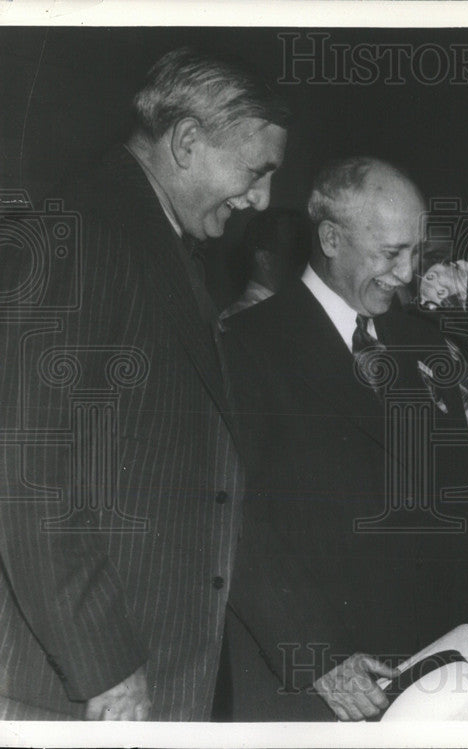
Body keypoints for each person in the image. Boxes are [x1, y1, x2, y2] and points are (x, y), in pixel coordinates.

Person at [0, 47, 289, 720]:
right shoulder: (80, 239)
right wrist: (108, 672)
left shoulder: (144, 241)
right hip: (79, 695)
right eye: (257, 171)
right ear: (187, 142)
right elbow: (27, 472)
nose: (262, 200)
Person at [222, 157, 468, 721]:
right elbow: (231, 523)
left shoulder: (424, 341)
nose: (409, 274)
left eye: (417, 252)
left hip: (436, 677)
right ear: (332, 239)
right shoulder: (243, 347)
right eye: (392, 253)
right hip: (322, 686)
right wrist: (314, 658)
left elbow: (457, 506)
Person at [221, 208, 310, 319]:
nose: (303, 263)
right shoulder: (247, 316)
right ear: (265, 259)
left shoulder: (281, 310)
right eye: (293, 252)